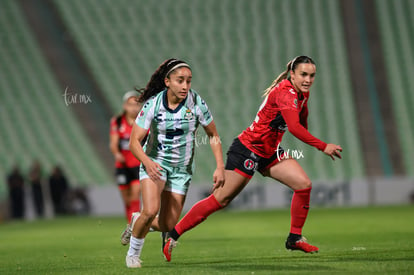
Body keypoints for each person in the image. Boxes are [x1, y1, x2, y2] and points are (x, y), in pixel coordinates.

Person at [162, 56, 343, 261]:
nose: (308, 79)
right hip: (248, 149)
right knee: (221, 200)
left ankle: (294, 238)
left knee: (303, 185)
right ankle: (173, 235)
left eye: (312, 75)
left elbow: (301, 120)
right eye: (303, 74)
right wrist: (322, 146)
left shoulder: (300, 93)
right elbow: (294, 127)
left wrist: (304, 122)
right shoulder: (286, 92)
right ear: (292, 74)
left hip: (270, 150)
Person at [124, 58, 225, 268]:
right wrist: (146, 162)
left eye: (188, 81)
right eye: (180, 80)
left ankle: (137, 220)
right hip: (155, 163)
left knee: (168, 224)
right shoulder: (153, 105)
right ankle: (133, 254)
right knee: (151, 210)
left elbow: (213, 135)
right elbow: (134, 142)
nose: (185, 86)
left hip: (182, 169)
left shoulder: (196, 102)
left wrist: (220, 166)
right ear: (167, 81)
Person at [110, 91, 143, 227]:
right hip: (122, 166)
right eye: (130, 105)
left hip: (137, 164)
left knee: (135, 195)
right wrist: (117, 153)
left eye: (136, 104)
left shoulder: (142, 122)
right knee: (127, 199)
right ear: (125, 106)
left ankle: (134, 226)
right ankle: (130, 222)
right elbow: (113, 143)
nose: (134, 108)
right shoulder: (117, 121)